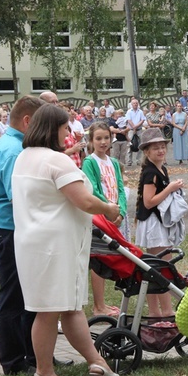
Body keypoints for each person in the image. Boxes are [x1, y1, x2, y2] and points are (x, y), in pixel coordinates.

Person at [11, 105, 120, 376]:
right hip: (55, 247)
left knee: (69, 308)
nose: (68, 133)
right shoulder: (55, 160)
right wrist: (109, 208)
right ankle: (44, 372)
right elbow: (83, 199)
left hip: (33, 242)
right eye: (64, 128)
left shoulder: (24, 157)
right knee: (49, 311)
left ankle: (97, 361)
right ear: (53, 129)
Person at [0, 96, 45, 375]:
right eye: (41, 125)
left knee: (28, 296)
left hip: (14, 228)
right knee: (13, 298)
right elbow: (18, 196)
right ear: (28, 121)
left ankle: (34, 356)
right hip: (7, 229)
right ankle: (13, 362)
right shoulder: (13, 150)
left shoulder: (17, 145)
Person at [135, 128, 186, 318]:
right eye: (156, 148)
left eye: (163, 147)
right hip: (152, 223)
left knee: (156, 267)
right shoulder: (150, 173)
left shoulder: (161, 169)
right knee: (160, 268)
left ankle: (157, 310)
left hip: (158, 221)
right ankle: (164, 310)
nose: (161, 151)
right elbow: (149, 201)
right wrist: (170, 188)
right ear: (147, 152)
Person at [82, 122, 127, 318]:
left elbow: (120, 188)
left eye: (106, 138)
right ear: (91, 141)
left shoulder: (114, 162)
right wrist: (108, 210)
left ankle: (105, 303)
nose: (103, 142)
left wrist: (121, 212)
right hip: (100, 216)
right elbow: (93, 188)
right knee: (98, 258)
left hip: (115, 214)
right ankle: (98, 305)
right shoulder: (90, 162)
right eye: (98, 138)